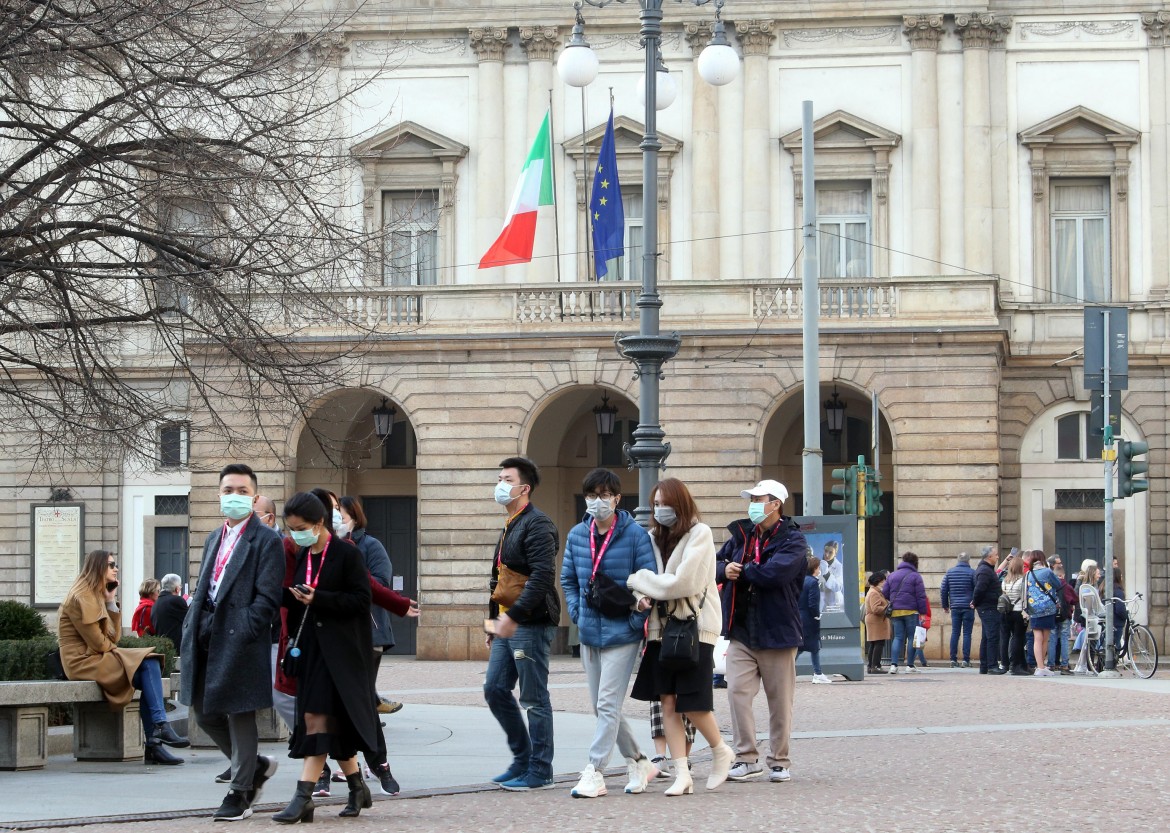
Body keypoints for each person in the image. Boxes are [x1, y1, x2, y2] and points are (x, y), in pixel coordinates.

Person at [179, 463, 285, 822]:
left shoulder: (267, 539)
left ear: (254, 498)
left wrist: (244, 628)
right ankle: (252, 766)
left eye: (242, 491)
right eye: (228, 490)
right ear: (218, 495)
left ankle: (240, 791)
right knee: (203, 711)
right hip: (206, 633)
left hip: (240, 637)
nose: (234, 497)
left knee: (240, 714)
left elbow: (268, 600)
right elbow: (204, 586)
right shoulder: (213, 537)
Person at [272, 491, 381, 824]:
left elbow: (361, 601)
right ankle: (357, 787)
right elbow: (298, 602)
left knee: (318, 723)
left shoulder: (346, 554)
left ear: (320, 523)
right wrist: (285, 595)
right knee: (331, 725)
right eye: (290, 529)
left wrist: (319, 598)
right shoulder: (304, 554)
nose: (294, 534)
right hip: (313, 652)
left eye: (300, 527)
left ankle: (302, 797)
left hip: (343, 654)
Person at [627, 477, 732, 795]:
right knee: (667, 703)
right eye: (656, 504)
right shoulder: (651, 538)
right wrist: (639, 595)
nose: (660, 510)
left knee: (693, 701)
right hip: (661, 631)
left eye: (665, 504)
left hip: (695, 628)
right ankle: (681, 773)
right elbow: (644, 588)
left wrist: (639, 579)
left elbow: (683, 583)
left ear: (681, 504)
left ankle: (720, 750)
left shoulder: (699, 533)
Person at [559, 468, 657, 798]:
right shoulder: (577, 535)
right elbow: (568, 580)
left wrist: (633, 624)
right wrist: (577, 612)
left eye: (604, 495)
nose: (597, 501)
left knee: (607, 703)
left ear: (617, 498)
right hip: (589, 631)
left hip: (622, 633)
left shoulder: (634, 535)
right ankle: (640, 760)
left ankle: (595, 770)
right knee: (603, 708)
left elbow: (648, 580)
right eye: (591, 495)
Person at [713, 478, 806, 785]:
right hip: (741, 631)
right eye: (751, 499)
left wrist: (739, 571)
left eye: (758, 499)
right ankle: (746, 758)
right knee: (737, 694)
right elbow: (713, 564)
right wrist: (724, 569)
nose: (752, 504)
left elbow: (775, 574)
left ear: (775, 504)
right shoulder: (741, 535)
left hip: (778, 632)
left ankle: (779, 761)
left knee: (780, 702)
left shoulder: (793, 540)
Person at [58, 550, 188, 766]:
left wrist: (110, 603)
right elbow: (100, 643)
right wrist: (111, 646)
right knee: (147, 663)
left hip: (98, 658)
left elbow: (113, 637)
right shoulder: (80, 597)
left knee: (151, 662)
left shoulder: (96, 595)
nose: (116, 568)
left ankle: (156, 740)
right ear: (98, 567)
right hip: (81, 661)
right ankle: (159, 731)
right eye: (111, 565)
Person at [484, 457, 560, 792]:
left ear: (523, 488)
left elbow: (542, 577)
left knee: (533, 697)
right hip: (506, 622)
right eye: (499, 477)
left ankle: (541, 770)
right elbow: (500, 580)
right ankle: (522, 758)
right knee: (495, 688)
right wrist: (492, 624)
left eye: (506, 479)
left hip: (528, 622)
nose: (500, 484)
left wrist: (510, 618)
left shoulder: (537, 524)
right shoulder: (510, 523)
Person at [340, 493, 416, 795]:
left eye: (341, 514)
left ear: (354, 517)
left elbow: (380, 584)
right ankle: (331, 768)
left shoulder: (370, 546)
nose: (336, 520)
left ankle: (378, 764)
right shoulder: (316, 548)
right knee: (328, 706)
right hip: (332, 635)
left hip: (368, 633)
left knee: (360, 700)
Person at [883, 552, 927, 674]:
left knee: (897, 637)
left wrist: (893, 600)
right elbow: (921, 596)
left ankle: (893, 665)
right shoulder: (915, 576)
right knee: (912, 638)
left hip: (896, 611)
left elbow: (885, 592)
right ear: (914, 563)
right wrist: (923, 612)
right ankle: (910, 665)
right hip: (911, 611)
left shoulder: (892, 575)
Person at [1024, 551, 1063, 676]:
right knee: (1045, 639)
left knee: (1037, 638)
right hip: (1047, 607)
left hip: (1034, 608)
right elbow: (1058, 584)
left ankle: (1039, 666)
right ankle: (1042, 666)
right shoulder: (1047, 572)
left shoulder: (1029, 573)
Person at [970, 545, 1004, 675]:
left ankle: (984, 666)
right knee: (992, 637)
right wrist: (975, 602)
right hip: (988, 608)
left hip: (987, 607)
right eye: (996, 554)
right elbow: (979, 589)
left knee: (986, 637)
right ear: (989, 557)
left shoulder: (986, 569)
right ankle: (992, 665)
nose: (997, 557)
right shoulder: (985, 570)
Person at [798, 556, 831, 683]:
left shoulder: (801, 580)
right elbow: (813, 603)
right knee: (807, 646)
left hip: (800, 616)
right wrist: (816, 615)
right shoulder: (812, 582)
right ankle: (817, 673)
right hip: (809, 618)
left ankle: (818, 672)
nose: (819, 570)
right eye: (818, 568)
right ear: (815, 568)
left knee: (812, 646)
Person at [940, 552, 976, 667]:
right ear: (968, 560)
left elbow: (943, 590)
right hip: (968, 606)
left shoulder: (950, 572)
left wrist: (945, 605)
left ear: (958, 560)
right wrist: (974, 602)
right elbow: (977, 589)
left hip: (955, 606)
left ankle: (953, 659)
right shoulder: (972, 573)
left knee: (955, 632)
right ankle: (966, 660)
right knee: (967, 633)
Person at [999, 555, 1029, 676]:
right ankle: (1016, 665)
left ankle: (1006, 663)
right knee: (1018, 638)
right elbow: (1025, 597)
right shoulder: (1022, 581)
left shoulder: (1005, 580)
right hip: (1018, 611)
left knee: (1006, 638)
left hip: (1006, 612)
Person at [1073, 559, 1104, 675]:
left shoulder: (1093, 586)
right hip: (1089, 616)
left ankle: (1089, 664)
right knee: (1092, 640)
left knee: (1092, 640)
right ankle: (1090, 665)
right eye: (1097, 573)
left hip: (1091, 615)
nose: (1099, 575)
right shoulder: (1088, 587)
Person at [1050, 559, 1075, 674]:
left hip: (1052, 614)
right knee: (1064, 639)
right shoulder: (1067, 586)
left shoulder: (1050, 586)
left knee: (1052, 639)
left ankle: (1051, 664)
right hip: (1065, 615)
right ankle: (1064, 665)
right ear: (1063, 575)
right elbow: (1075, 599)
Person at [151, 573, 187, 652]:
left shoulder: (156, 603)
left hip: (163, 647)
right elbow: (189, 620)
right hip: (177, 648)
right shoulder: (177, 600)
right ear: (177, 589)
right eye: (180, 587)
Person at [863, 571, 890, 673]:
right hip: (876, 621)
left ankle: (871, 666)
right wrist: (886, 607)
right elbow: (876, 608)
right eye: (883, 581)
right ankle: (875, 666)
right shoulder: (875, 593)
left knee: (874, 643)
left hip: (874, 620)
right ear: (879, 581)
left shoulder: (873, 591)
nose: (885, 583)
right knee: (878, 643)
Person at [818, 540, 844, 611]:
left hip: (835, 603)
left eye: (830, 552)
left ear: (835, 554)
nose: (827, 554)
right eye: (826, 551)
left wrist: (826, 573)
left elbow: (838, 587)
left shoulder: (839, 567)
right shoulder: (819, 564)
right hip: (822, 602)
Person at [911, 597, 932, 668]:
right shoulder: (923, 597)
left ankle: (922, 662)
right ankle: (912, 662)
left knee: (918, 643)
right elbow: (928, 609)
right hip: (923, 620)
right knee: (919, 643)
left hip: (913, 619)